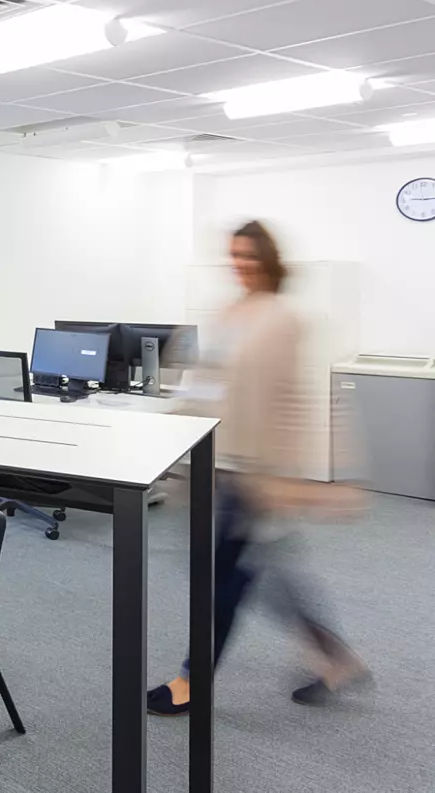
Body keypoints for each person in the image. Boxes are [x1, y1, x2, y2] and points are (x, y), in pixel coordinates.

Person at [148, 221, 368, 717]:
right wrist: (169, 427)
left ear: (269, 259)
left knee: (224, 580)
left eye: (249, 254)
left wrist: (296, 479)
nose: (240, 263)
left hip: (254, 473)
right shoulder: (230, 312)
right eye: (234, 254)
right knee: (258, 573)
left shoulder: (283, 319)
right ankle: (337, 658)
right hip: (217, 464)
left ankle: (192, 680)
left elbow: (298, 400)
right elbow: (206, 384)